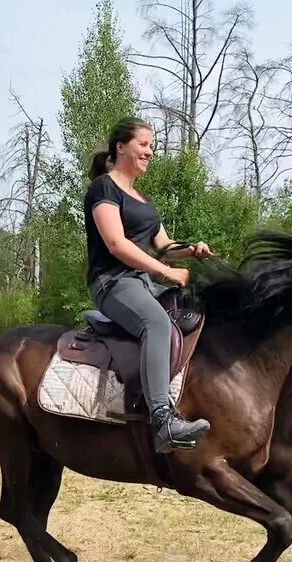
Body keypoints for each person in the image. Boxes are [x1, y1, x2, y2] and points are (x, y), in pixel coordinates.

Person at [84, 117, 213, 453]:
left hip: (144, 284)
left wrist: (191, 251)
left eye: (151, 146)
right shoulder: (104, 188)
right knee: (156, 323)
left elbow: (164, 245)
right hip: (113, 283)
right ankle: (162, 421)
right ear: (121, 146)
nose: (149, 151)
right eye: (143, 144)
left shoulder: (143, 200)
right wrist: (167, 272)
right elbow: (116, 244)